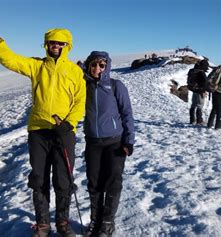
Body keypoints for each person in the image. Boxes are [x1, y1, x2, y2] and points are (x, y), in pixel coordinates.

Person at [0, 24, 86, 237]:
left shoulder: (75, 71)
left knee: (63, 180)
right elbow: (10, 60)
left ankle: (63, 224)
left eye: (60, 43)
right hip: (38, 130)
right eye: (52, 42)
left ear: (67, 46)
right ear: (46, 44)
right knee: (39, 178)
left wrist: (69, 124)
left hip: (64, 132)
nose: (56, 46)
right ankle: (42, 225)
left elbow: (80, 102)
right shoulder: (36, 66)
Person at [82, 51, 135, 237]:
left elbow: (127, 113)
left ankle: (107, 222)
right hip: (93, 142)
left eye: (102, 65)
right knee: (94, 182)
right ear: (89, 66)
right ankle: (95, 220)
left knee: (113, 181)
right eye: (94, 65)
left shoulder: (115, 85)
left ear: (107, 67)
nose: (97, 69)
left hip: (115, 142)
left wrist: (129, 139)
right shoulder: (84, 85)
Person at [187, 59, 209, 124]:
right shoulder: (201, 72)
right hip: (200, 91)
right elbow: (205, 83)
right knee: (200, 105)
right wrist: (206, 90)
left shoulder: (193, 70)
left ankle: (192, 120)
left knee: (193, 105)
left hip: (194, 90)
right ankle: (199, 120)